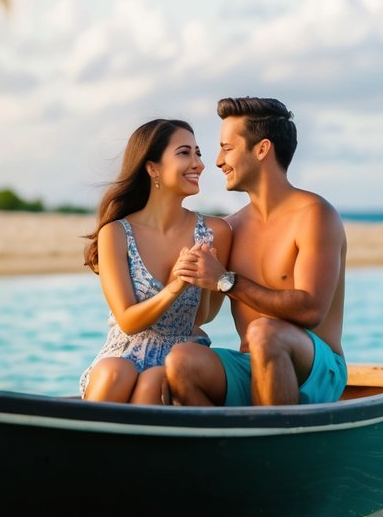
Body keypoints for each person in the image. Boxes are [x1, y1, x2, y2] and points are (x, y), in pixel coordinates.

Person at [165, 97, 346, 407]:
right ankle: (229, 451)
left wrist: (225, 280)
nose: (218, 161)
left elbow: (310, 310)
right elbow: (203, 316)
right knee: (181, 361)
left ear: (262, 149)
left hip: (316, 369)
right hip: (252, 365)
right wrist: (183, 278)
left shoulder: (315, 215)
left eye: (227, 148)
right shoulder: (230, 228)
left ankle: (273, 449)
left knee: (264, 332)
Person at [80, 118, 232, 404]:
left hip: (181, 354)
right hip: (123, 351)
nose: (199, 164)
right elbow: (127, 320)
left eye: (197, 153)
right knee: (115, 372)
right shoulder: (115, 233)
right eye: (184, 153)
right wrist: (175, 287)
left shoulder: (216, 232)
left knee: (154, 380)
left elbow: (202, 318)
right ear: (152, 168)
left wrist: (210, 279)